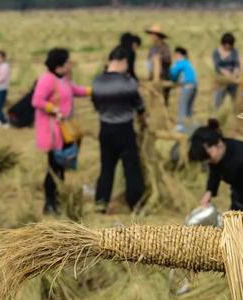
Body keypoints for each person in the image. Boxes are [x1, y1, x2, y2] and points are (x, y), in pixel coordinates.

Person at [32, 48, 91, 214]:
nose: (70, 64)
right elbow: (37, 100)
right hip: (52, 132)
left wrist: (95, 90)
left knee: (60, 166)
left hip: (63, 130)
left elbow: (76, 90)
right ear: (59, 66)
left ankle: (56, 200)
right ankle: (49, 203)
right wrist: (53, 108)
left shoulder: (63, 80)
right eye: (67, 62)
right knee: (54, 167)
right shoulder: (47, 80)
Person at [91, 46, 147, 214]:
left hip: (105, 128)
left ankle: (101, 203)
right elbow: (139, 106)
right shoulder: (128, 82)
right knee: (131, 169)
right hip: (125, 129)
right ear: (123, 62)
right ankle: (135, 204)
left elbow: (96, 105)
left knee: (106, 168)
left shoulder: (97, 82)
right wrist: (144, 121)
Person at [169, 47, 198, 133]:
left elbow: (173, 73)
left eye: (175, 55)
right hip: (194, 86)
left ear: (179, 54)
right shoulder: (188, 63)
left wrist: (171, 79)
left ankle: (180, 126)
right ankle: (189, 126)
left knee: (182, 105)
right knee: (188, 107)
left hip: (187, 86)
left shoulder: (181, 62)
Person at [145, 24, 172, 106]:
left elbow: (167, 60)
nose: (151, 36)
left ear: (158, 36)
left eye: (152, 34)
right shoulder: (153, 48)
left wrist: (158, 59)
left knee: (161, 104)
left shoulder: (164, 48)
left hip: (162, 79)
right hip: (152, 79)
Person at [213, 33, 240, 108]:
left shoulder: (234, 52)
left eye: (230, 45)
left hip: (233, 80)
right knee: (218, 101)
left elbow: (237, 64)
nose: (228, 46)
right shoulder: (216, 52)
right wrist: (225, 73)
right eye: (226, 44)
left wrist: (235, 73)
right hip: (222, 80)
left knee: (234, 101)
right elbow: (217, 66)